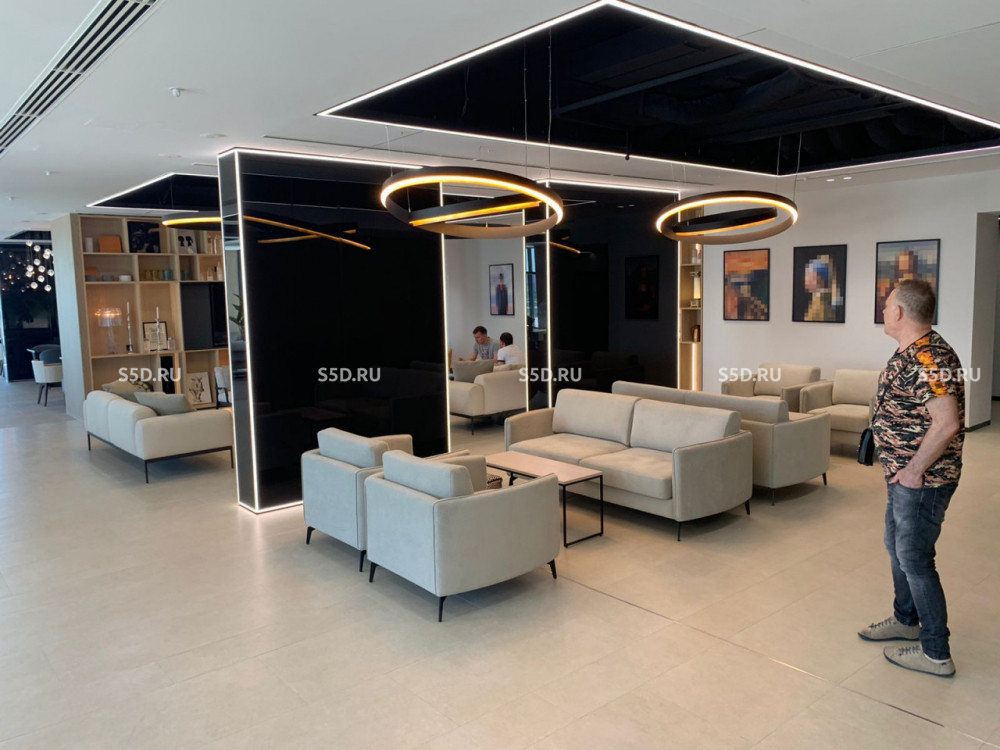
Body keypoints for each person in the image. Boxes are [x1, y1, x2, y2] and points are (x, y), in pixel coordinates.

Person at [858, 279, 964, 677]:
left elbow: (946, 423)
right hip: (902, 476)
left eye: (887, 306)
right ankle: (906, 619)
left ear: (899, 312)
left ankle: (936, 653)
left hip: (923, 482)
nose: (884, 311)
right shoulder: (912, 350)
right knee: (897, 547)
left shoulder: (930, 357)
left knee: (916, 559)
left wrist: (915, 470)